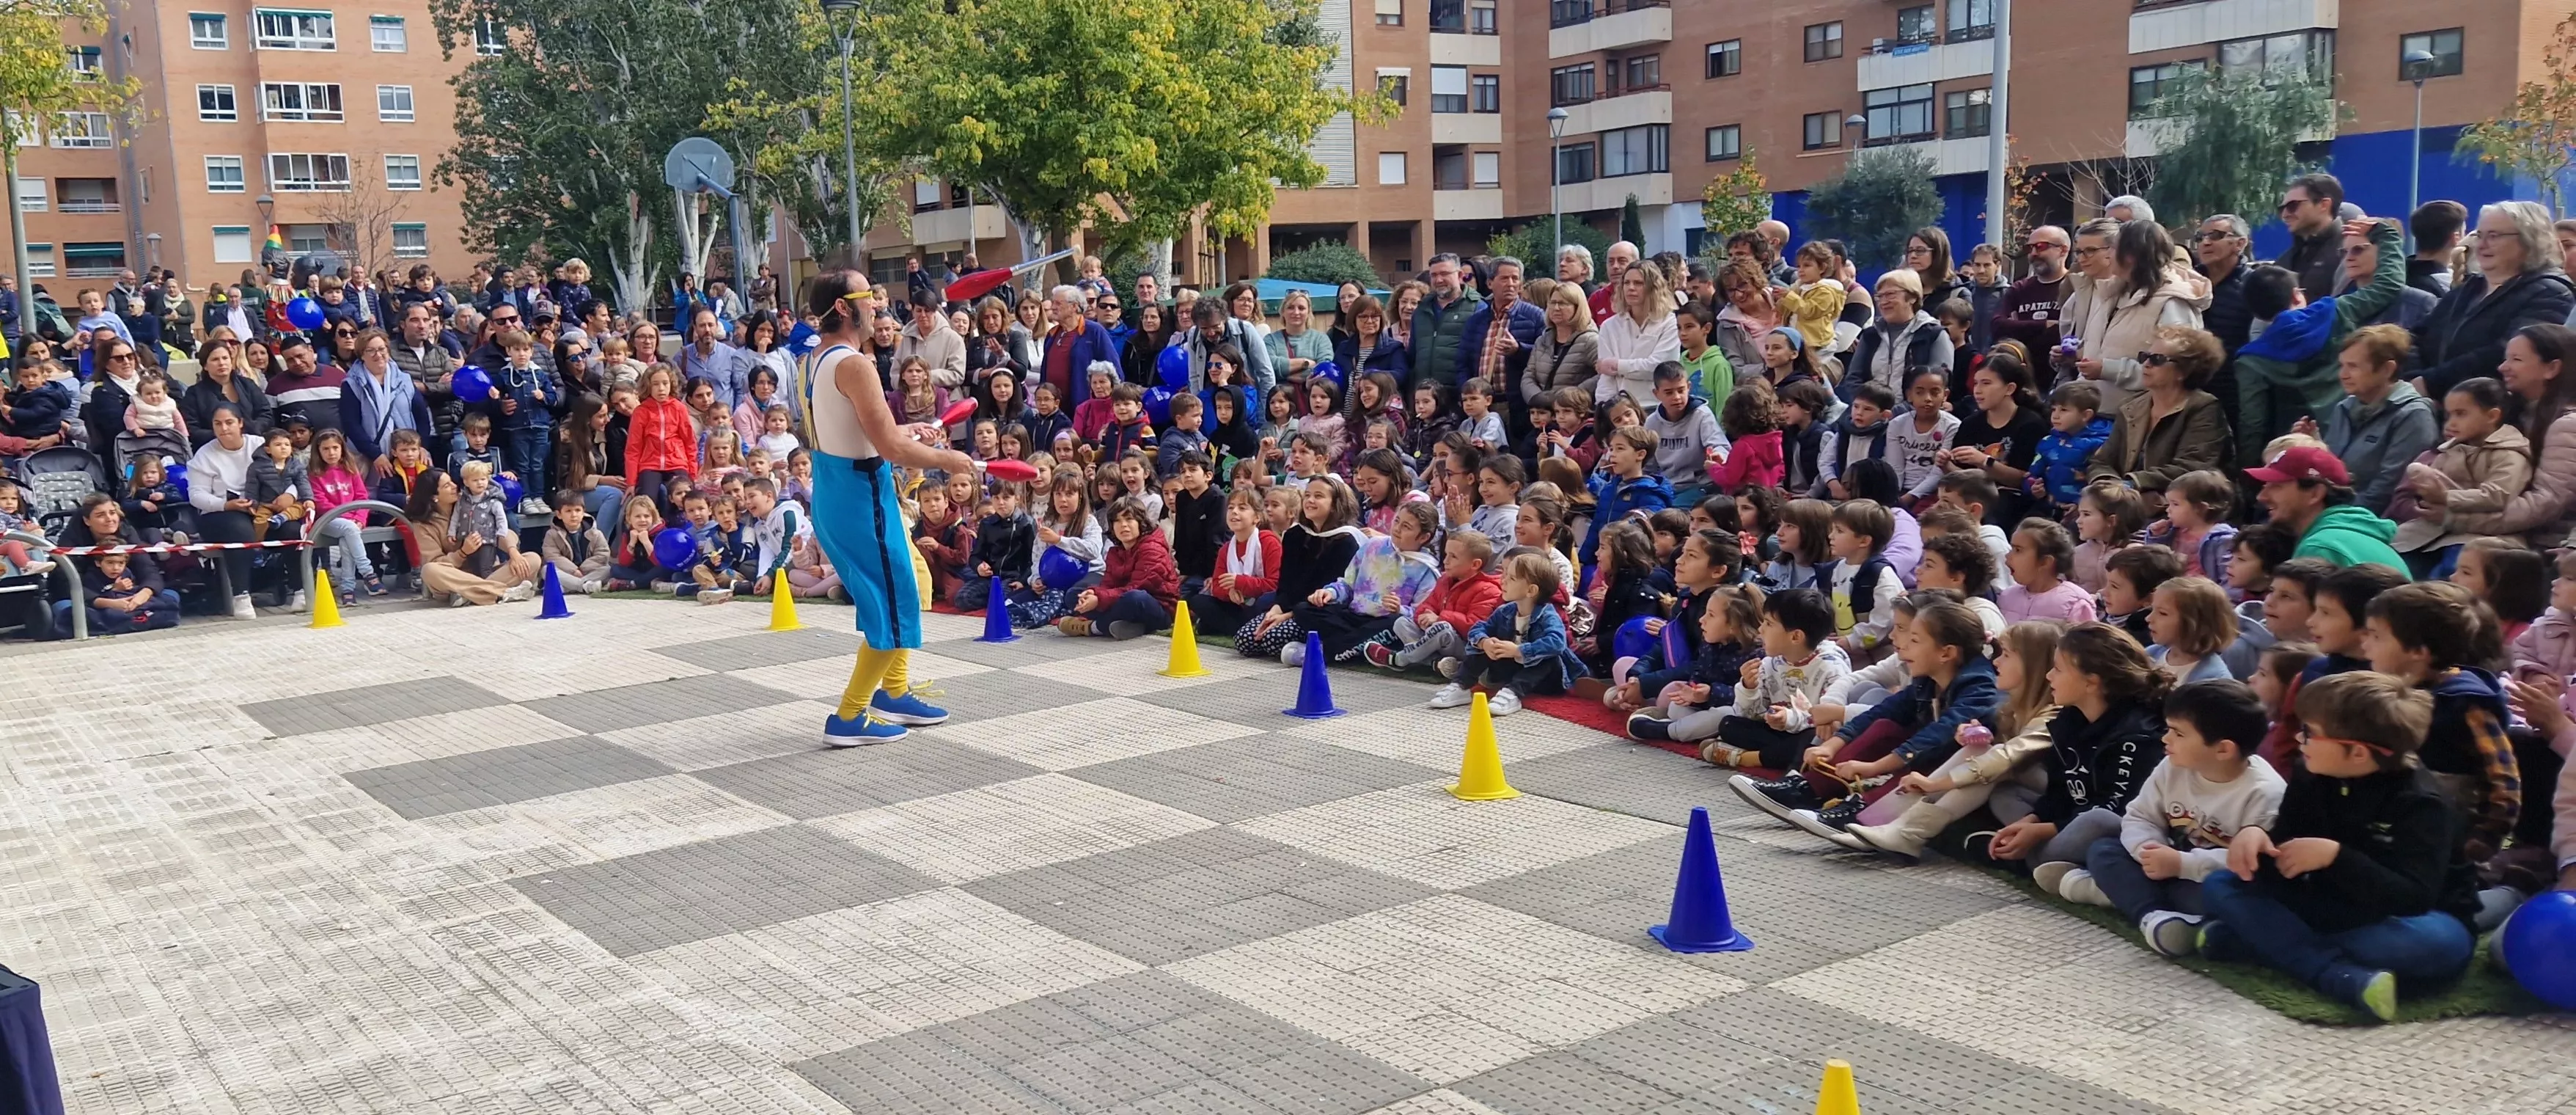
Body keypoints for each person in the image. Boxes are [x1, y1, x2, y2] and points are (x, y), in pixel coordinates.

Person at [2199, 671, 2479, 1023]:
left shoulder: (2422, 804)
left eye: (2311, 733)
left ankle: (2263, 943)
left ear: (2358, 753)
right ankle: (2335, 974)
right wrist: (2257, 838)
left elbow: (2414, 897)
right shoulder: (2310, 772)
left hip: (2404, 920)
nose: (2299, 739)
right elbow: (2287, 846)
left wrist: (2336, 857)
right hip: (2329, 909)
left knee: (2441, 946)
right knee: (2220, 885)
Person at [784, 269, 978, 743]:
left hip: (841, 487)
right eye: (868, 297)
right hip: (859, 495)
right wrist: (950, 459)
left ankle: (893, 691)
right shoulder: (854, 364)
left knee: (903, 587)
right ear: (844, 308)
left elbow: (854, 433)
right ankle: (848, 717)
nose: (878, 304)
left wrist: (906, 434)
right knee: (890, 600)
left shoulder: (816, 358)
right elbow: (890, 450)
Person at [2070, 679, 2289, 953]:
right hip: (2165, 863)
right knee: (2105, 851)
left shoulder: (2265, 793)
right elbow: (2141, 816)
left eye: (2178, 733)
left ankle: (2123, 896)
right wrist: (2147, 850)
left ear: (2223, 749)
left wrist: (2182, 864)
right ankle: (2155, 915)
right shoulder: (2174, 765)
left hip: (2206, 879)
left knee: (2221, 897)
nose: (2165, 739)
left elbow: (2253, 865)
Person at [2360, 581, 2522, 867]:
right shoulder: (2385, 690)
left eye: (2375, 635)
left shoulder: (2464, 704)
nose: (2365, 643)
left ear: (2419, 651)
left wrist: (2484, 840)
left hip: (2449, 838)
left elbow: (2502, 778)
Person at [2413, 201, 2576, 397]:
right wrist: (2410, 377)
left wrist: (2430, 383)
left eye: (2494, 236)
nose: (2481, 245)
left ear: (2529, 239)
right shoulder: (2469, 289)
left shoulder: (2551, 292)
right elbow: (2416, 337)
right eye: (2480, 235)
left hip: (2497, 413)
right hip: (2437, 405)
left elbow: (2505, 354)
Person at [2061, 219, 2206, 417]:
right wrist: (2078, 354)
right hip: (2097, 412)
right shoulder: (2112, 291)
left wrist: (2107, 369)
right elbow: (2107, 347)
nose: (2109, 255)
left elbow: (2174, 368)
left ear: (2130, 257)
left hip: (2138, 419)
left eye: (2113, 248)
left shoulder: (2174, 302)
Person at [1428, 550, 1579, 715]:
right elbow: (1479, 628)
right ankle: (1461, 686)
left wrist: (1518, 651)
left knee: (1549, 658)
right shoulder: (1505, 611)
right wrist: (1485, 642)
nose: (1503, 580)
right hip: (1512, 671)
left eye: (1512, 578)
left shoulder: (1548, 615)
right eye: (1505, 575)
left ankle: (1513, 693)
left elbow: (1557, 643)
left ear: (1531, 590)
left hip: (1546, 682)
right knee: (1487, 644)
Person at [2082, 326, 2230, 494]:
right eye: (2144, 356)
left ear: (2184, 370)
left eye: (2157, 359)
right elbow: (2102, 462)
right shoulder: (2131, 407)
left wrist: (2131, 484)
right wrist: (2108, 484)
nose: (2146, 364)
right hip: (2128, 502)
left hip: (2181, 506)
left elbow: (2192, 467)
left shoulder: (2204, 408)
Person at [2247, 446, 2407, 573]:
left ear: (2315, 494)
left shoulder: (2320, 547)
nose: (2261, 497)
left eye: (2276, 486)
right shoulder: (2348, 534)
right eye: (2265, 486)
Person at [1841, 269, 1950, 403]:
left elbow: (1937, 384)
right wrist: (1873, 408)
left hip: (1914, 416)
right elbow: (1854, 379)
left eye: (1890, 295)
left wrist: (1901, 413)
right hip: (1870, 414)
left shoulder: (1934, 335)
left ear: (1912, 298)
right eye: (1879, 296)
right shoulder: (1871, 335)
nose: (1883, 302)